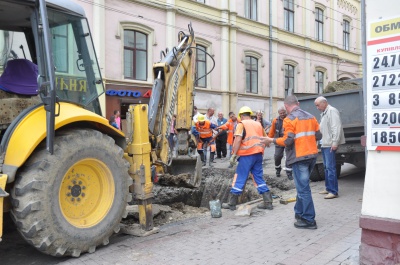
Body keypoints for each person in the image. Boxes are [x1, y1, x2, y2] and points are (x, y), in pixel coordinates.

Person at [261, 95, 322, 229]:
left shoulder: (289, 120)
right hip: (312, 155)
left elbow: (287, 141)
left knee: (303, 190)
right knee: (302, 187)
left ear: (287, 107)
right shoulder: (311, 116)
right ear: (298, 103)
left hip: (299, 157)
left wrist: (271, 140)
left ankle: (309, 220)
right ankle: (299, 213)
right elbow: (319, 135)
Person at [221, 106, 273, 211]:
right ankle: (268, 202)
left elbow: (238, 140)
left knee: (240, 177)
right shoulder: (258, 124)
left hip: (246, 155)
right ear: (250, 115)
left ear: (241, 116)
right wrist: (263, 147)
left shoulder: (242, 124)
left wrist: (234, 154)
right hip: (258, 155)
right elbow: (266, 139)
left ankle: (232, 203)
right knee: (258, 177)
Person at [314, 96, 345, 199]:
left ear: (324, 103)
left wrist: (335, 142)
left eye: (318, 105)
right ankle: (328, 188)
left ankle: (333, 191)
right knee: (326, 167)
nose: (317, 107)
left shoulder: (332, 111)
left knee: (330, 168)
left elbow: (336, 127)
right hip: (325, 144)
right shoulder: (324, 113)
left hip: (330, 144)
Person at [268, 107, 293, 180]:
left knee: (289, 157)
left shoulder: (289, 119)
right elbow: (272, 131)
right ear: (279, 113)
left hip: (288, 140)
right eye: (281, 113)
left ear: (286, 112)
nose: (282, 114)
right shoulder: (275, 121)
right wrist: (269, 140)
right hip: (279, 141)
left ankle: (289, 173)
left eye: (283, 113)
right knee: (277, 156)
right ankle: (278, 170)